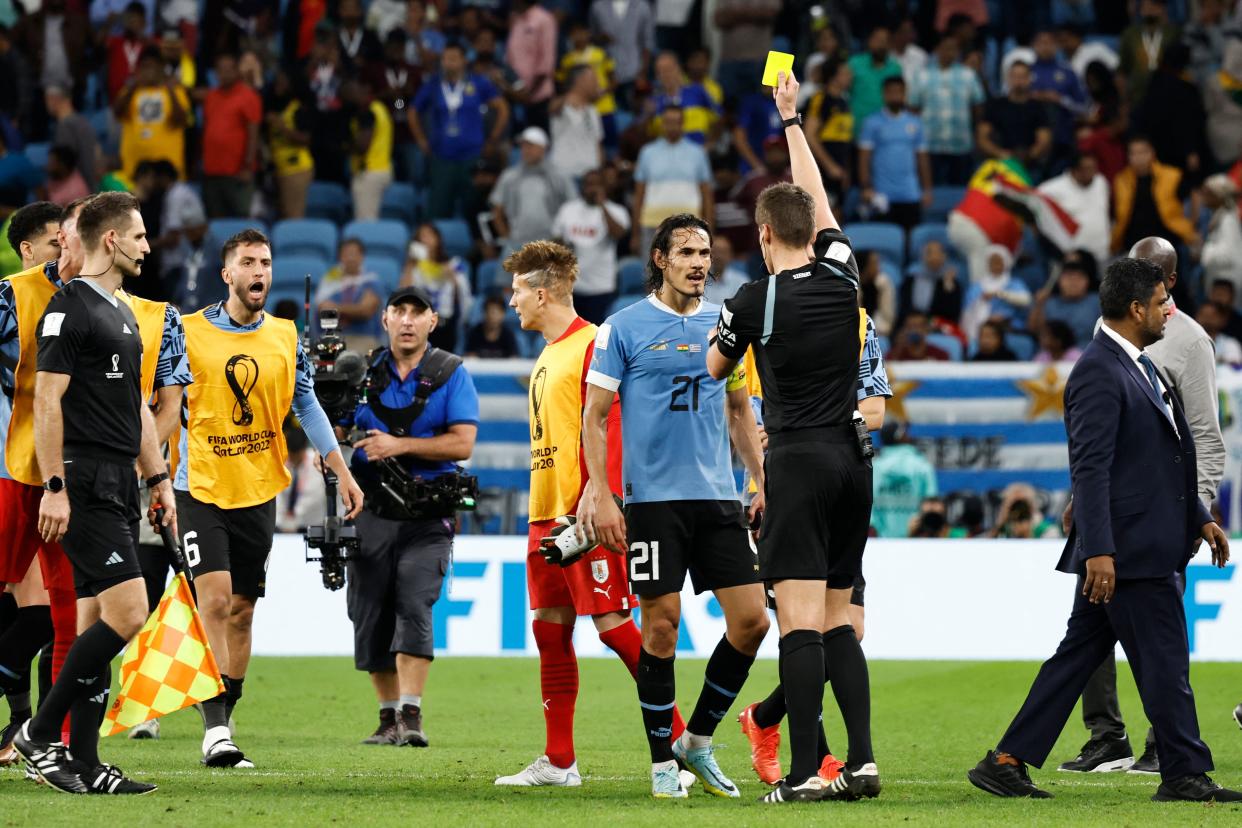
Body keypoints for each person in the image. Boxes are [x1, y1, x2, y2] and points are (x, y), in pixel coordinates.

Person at [967, 257, 1242, 804]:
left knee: (1077, 656)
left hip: (1132, 544)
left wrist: (1201, 517)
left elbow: (1165, 459)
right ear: (1136, 308)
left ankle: (1005, 761)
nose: (1170, 309)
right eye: (1163, 301)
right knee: (1165, 660)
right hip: (1128, 551)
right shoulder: (1099, 369)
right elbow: (1090, 469)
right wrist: (1100, 551)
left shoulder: (1139, 365)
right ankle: (1185, 772)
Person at [707, 68, 880, 804]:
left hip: (799, 461)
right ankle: (863, 763)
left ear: (764, 234)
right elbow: (819, 199)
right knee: (842, 619)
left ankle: (807, 773)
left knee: (801, 625)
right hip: (854, 459)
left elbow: (714, 371)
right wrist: (793, 120)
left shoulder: (753, 298)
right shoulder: (846, 275)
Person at [581, 213, 769, 800]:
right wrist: (603, 493)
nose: (698, 263)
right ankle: (663, 761)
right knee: (661, 631)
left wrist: (762, 482)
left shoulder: (726, 324)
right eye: (685, 252)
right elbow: (593, 417)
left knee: (753, 623)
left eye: (705, 252)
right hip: (654, 504)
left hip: (717, 500)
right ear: (660, 259)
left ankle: (699, 740)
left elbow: (741, 411)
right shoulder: (623, 328)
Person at [495, 240, 682, 788]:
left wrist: (599, 499)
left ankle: (681, 744)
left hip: (584, 511)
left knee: (614, 627)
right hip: (544, 512)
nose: (512, 304)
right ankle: (558, 762)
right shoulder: (549, 351)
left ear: (542, 292)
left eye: (517, 293)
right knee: (550, 631)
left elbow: (613, 423)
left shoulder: (593, 344)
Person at [177, 229, 364, 768]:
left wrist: (342, 472)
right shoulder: (186, 333)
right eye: (248, 263)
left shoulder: (285, 336)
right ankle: (215, 731)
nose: (259, 271)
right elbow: (160, 401)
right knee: (212, 601)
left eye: (265, 262)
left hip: (258, 488)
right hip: (200, 486)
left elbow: (306, 406)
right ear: (227, 274)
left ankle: (226, 714)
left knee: (241, 610)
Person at [12, 191, 175, 795]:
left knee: (94, 622)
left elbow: (136, 407)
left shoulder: (125, 313)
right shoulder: (68, 309)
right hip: (80, 480)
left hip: (120, 480)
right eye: (139, 237)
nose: (147, 247)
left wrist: (158, 480)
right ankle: (38, 732)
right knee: (130, 612)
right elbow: (46, 401)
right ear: (112, 240)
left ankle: (84, 760)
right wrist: (53, 486)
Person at [1059, 236, 1225, 776]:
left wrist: (1196, 513)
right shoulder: (1115, 328)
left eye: (1151, 272)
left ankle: (1164, 744)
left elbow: (1203, 434)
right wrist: (1078, 497)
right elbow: (1098, 437)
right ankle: (1107, 736)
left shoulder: (1190, 343)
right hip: (1111, 509)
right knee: (1090, 628)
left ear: (1169, 282)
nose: (1138, 277)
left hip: (1162, 516)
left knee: (1159, 632)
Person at [736, 311, 892, 786]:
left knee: (848, 628)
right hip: (773, 488)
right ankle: (819, 756)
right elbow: (735, 409)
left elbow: (877, 412)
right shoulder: (757, 320)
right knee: (803, 625)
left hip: (834, 480)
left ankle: (765, 715)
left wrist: (805, 422)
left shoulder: (859, 323)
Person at [341, 285, 478, 748]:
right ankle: (386, 718)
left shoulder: (450, 372)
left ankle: (412, 714)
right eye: (398, 310)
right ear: (384, 319)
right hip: (371, 510)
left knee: (415, 604)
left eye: (416, 313)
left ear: (432, 322)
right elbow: (333, 433)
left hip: (427, 514)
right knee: (369, 613)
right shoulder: (359, 372)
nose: (407, 320)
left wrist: (396, 445)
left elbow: (463, 443)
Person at [409, 43, 509, 220]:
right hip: (442, 157)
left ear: (464, 61)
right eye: (445, 59)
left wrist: (493, 139)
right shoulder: (433, 84)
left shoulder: (478, 83)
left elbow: (502, 108)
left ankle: (475, 246)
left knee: (473, 210)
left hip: (472, 157)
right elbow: (411, 110)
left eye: (453, 58)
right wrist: (421, 140)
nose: (448, 63)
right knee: (437, 212)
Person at [550, 168, 630, 324]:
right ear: (582, 187)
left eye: (596, 184)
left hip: (601, 288)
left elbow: (618, 234)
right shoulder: (568, 210)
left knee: (597, 339)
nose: (592, 188)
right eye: (588, 184)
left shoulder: (616, 211)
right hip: (571, 288)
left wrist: (602, 206)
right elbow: (556, 238)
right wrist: (564, 247)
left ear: (604, 187)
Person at [631, 106, 713, 257]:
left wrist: (709, 230)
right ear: (662, 124)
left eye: (676, 122)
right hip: (652, 224)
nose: (672, 126)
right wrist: (635, 234)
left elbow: (706, 195)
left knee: (686, 275)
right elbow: (639, 195)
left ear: (683, 124)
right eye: (668, 122)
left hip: (689, 226)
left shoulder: (698, 153)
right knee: (654, 276)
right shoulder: (647, 152)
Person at [909, 33, 985, 186]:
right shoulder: (922, 75)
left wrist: (975, 133)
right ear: (937, 50)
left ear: (958, 52)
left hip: (961, 144)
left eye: (953, 49)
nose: (949, 52)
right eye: (945, 48)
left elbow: (978, 107)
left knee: (960, 191)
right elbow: (913, 109)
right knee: (932, 189)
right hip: (930, 144)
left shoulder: (968, 75)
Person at [490, 127, 575, 260]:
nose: (525, 150)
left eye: (530, 146)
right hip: (517, 242)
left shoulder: (560, 176)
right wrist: (508, 238)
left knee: (549, 281)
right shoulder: (510, 176)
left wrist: (562, 238)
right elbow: (497, 210)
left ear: (543, 148)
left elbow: (573, 208)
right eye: (523, 146)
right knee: (507, 280)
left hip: (550, 242)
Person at [857, 76, 931, 231]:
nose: (895, 96)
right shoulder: (872, 122)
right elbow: (864, 158)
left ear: (905, 94)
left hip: (911, 193)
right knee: (883, 240)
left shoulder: (915, 123)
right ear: (884, 94)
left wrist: (927, 189)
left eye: (899, 92)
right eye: (891, 92)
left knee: (910, 240)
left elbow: (922, 158)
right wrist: (866, 187)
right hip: (882, 195)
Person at [201, 52, 262, 219]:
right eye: (220, 70)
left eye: (229, 69)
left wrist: (248, 166)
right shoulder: (211, 96)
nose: (224, 74)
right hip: (212, 171)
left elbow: (253, 134)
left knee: (240, 221)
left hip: (237, 172)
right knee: (215, 219)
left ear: (237, 71)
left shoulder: (249, 96)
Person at [114, 47, 190, 179]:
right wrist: (133, 86)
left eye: (153, 66)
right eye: (144, 66)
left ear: (161, 68)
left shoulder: (176, 91)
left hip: (167, 171)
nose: (149, 71)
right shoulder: (130, 91)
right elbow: (117, 113)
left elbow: (181, 120)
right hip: (134, 169)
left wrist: (171, 91)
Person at [399, 222, 473, 353]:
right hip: (420, 325)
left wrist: (452, 277)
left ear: (438, 239)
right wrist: (410, 264)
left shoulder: (452, 264)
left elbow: (463, 295)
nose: (425, 240)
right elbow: (403, 293)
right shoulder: (414, 268)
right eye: (421, 237)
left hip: (445, 324)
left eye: (428, 235)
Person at [977, 62, 1052, 172]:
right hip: (999, 163)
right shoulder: (995, 105)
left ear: (1029, 79)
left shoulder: (1038, 107)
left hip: (1030, 165)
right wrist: (1000, 154)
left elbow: (1044, 139)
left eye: (1022, 77)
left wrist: (1028, 156)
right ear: (1008, 79)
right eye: (1015, 76)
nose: (1018, 81)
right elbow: (982, 138)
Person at [1037, 154, 1110, 265]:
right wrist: (1060, 253)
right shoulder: (1049, 190)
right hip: (1072, 258)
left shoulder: (1101, 182)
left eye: (1094, 168)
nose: (1092, 173)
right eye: (1087, 169)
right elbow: (1042, 225)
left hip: (1101, 254)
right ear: (1074, 170)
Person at [315, 238, 384, 346]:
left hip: (363, 338)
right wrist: (353, 309)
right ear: (340, 257)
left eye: (354, 254)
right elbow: (322, 309)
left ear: (362, 257)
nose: (350, 258)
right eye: (346, 254)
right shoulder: (330, 281)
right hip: (333, 337)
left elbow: (365, 310)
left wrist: (337, 308)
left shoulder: (371, 280)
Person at [803, 60, 855, 203]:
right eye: (845, 73)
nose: (850, 76)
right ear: (833, 77)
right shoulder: (820, 99)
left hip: (840, 168)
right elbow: (810, 135)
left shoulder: (844, 102)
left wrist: (845, 170)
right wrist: (829, 165)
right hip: (822, 168)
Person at [345, 77, 395, 222]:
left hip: (369, 173)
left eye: (350, 93)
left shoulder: (368, 112)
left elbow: (362, 145)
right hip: (381, 169)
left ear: (364, 90)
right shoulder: (379, 107)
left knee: (365, 222)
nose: (348, 99)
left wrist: (344, 146)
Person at [505, 0, 557, 132]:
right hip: (515, 94)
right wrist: (514, 90)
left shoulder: (544, 19)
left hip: (539, 96)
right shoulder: (515, 19)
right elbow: (510, 58)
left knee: (540, 144)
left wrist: (529, 94)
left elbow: (546, 63)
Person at [1028, 253, 1099, 349]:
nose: (1073, 282)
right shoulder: (1048, 302)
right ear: (1059, 281)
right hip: (1052, 355)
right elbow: (1034, 330)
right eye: (1069, 277)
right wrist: (1039, 305)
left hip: (1087, 353)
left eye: (1079, 277)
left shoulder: (1098, 302)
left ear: (1088, 281)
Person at [961, 245, 1031, 342]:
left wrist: (999, 294)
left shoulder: (1014, 283)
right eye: (992, 262)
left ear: (1005, 262)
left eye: (999, 261)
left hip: (1008, 329)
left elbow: (1026, 301)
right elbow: (967, 312)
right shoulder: (976, 286)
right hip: (979, 330)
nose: (995, 265)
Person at [648, 52, 719, 146]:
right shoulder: (653, 102)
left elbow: (719, 118)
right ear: (657, 76)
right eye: (661, 71)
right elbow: (649, 136)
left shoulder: (697, 91)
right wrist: (648, 115)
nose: (666, 74)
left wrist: (709, 145)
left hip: (697, 152)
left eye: (669, 69)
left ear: (678, 69)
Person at [548, 66, 605, 181]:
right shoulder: (561, 106)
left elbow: (597, 144)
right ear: (581, 80)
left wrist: (599, 171)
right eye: (594, 79)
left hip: (589, 176)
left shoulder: (593, 111)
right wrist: (572, 95)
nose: (598, 84)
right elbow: (552, 108)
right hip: (564, 174)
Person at [44, 85, 100, 190]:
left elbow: (63, 167)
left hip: (75, 193)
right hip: (89, 187)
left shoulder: (65, 126)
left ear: (53, 99)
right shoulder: (83, 121)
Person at [848, 24, 903, 126]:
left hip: (886, 127)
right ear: (869, 41)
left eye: (885, 41)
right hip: (858, 124)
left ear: (890, 45)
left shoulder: (895, 68)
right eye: (877, 40)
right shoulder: (854, 64)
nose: (881, 44)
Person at [898, 239, 963, 326]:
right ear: (923, 256)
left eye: (938, 253)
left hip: (938, 326)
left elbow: (952, 314)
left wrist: (948, 287)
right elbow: (903, 308)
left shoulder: (952, 283)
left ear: (944, 257)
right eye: (930, 253)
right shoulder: (910, 280)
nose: (934, 257)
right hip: (911, 323)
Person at [1200, 174, 1242, 298]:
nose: (1204, 195)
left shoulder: (1228, 220)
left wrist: (1204, 254)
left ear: (1219, 196)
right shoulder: (1218, 217)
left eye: (1208, 192)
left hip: (1228, 282)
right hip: (1219, 278)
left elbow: (1227, 256)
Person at [463, 294, 518, 358]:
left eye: (496, 313)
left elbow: (514, 360)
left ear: (503, 314)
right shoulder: (475, 333)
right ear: (484, 313)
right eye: (490, 312)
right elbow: (470, 358)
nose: (492, 316)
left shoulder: (508, 335)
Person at [857, 250, 896, 337]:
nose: (878, 267)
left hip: (878, 333)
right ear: (864, 266)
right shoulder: (849, 286)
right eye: (874, 263)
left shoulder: (884, 283)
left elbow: (888, 319)